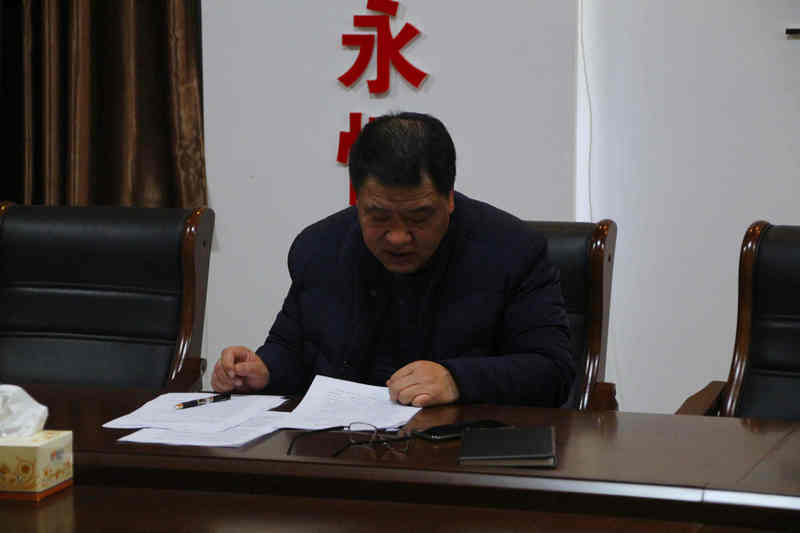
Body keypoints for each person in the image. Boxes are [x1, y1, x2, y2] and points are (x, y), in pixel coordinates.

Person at [212, 112, 574, 407]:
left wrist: (457, 380)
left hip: (459, 452)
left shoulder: (511, 251)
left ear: (449, 198)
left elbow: (552, 372)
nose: (398, 237)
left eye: (418, 217)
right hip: (341, 449)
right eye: (379, 216)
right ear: (357, 200)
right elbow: (292, 349)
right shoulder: (319, 249)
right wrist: (264, 370)